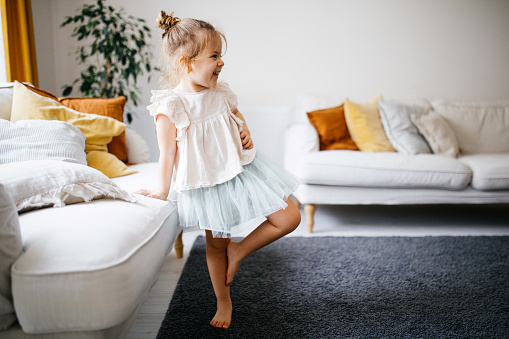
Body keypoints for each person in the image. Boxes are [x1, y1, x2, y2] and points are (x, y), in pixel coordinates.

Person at [135, 11, 301, 329]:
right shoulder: (170, 106)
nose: (221, 62)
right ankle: (223, 301)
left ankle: (239, 250)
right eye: (214, 56)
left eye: (220, 55)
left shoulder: (220, 92)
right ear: (186, 63)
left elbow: (236, 114)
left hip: (242, 169)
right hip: (208, 182)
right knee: (215, 245)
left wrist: (246, 130)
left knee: (289, 218)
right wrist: (161, 190)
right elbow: (167, 153)